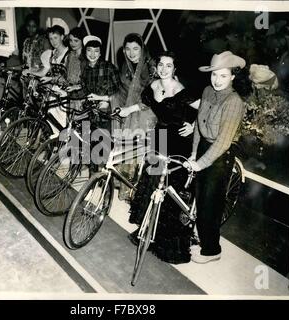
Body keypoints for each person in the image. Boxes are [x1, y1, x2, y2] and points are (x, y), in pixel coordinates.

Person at [128, 51, 200, 264]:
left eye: (169, 65)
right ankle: (147, 230)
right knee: (152, 184)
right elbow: (145, 104)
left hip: (178, 142)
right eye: (161, 64)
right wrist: (126, 110)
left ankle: (167, 243)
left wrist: (194, 125)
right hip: (159, 137)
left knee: (170, 190)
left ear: (174, 69)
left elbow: (205, 107)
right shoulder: (153, 86)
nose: (164, 69)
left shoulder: (181, 90)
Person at [183, 51, 246, 264]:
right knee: (199, 194)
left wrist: (200, 163)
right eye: (214, 75)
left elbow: (223, 141)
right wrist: (194, 153)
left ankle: (212, 250)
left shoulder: (234, 101)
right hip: (203, 146)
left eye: (223, 76)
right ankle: (198, 232)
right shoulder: (208, 91)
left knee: (210, 200)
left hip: (221, 153)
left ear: (233, 77)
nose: (217, 80)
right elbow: (199, 127)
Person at [113, 33, 157, 201]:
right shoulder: (125, 66)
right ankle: (126, 189)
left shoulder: (151, 66)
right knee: (126, 151)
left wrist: (131, 109)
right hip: (129, 113)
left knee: (138, 155)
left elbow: (154, 98)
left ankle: (136, 194)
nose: (132, 53)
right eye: (128, 49)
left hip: (146, 114)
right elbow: (122, 91)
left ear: (142, 49)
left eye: (136, 49)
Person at [79, 35, 121, 133]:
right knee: (86, 143)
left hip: (107, 115)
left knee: (105, 145)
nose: (92, 54)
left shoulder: (109, 68)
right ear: (85, 52)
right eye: (89, 50)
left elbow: (120, 92)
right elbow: (85, 91)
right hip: (90, 113)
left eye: (96, 51)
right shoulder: (85, 70)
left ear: (100, 53)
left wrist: (107, 101)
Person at [63, 27, 88, 110]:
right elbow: (66, 75)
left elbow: (88, 80)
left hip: (82, 95)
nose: (72, 43)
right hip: (70, 94)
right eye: (70, 40)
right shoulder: (70, 55)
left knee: (84, 120)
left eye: (76, 40)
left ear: (82, 41)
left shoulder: (86, 58)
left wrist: (76, 86)